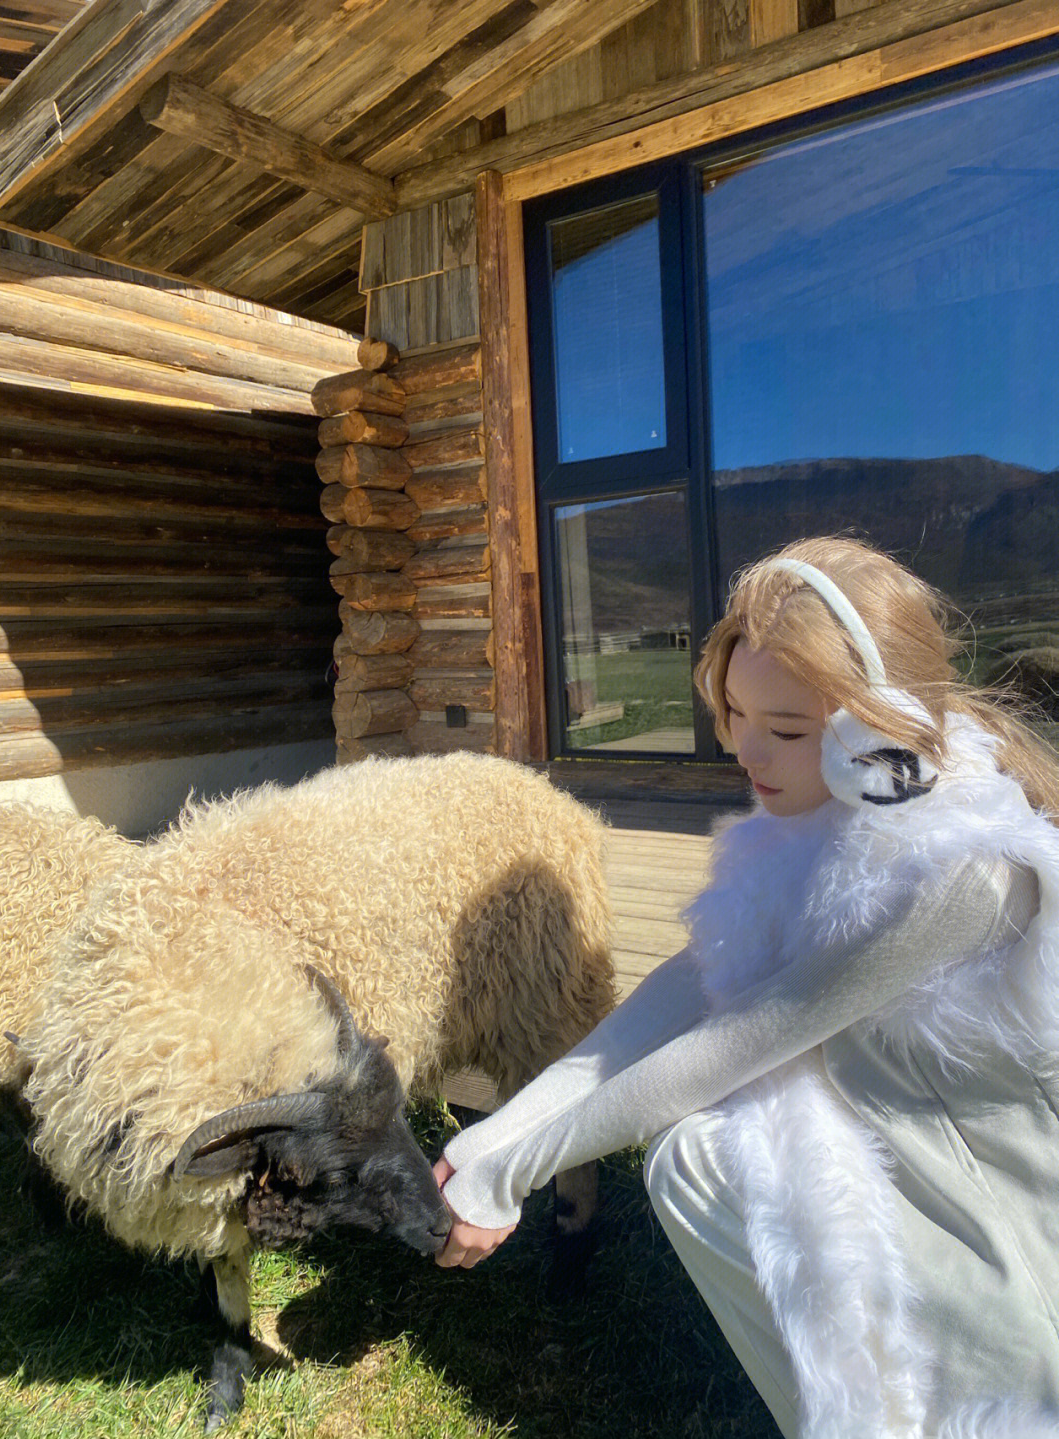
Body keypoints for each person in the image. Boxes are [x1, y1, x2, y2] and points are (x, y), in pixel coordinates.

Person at [431, 535, 1059, 1439]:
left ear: (876, 730)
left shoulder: (961, 867)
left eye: (789, 730)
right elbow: (684, 993)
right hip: (905, 1126)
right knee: (699, 1151)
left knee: (697, 1155)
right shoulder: (805, 825)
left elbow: (736, 1042)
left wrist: (514, 1172)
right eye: (734, 713)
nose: (748, 751)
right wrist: (499, 1137)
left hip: (995, 1201)